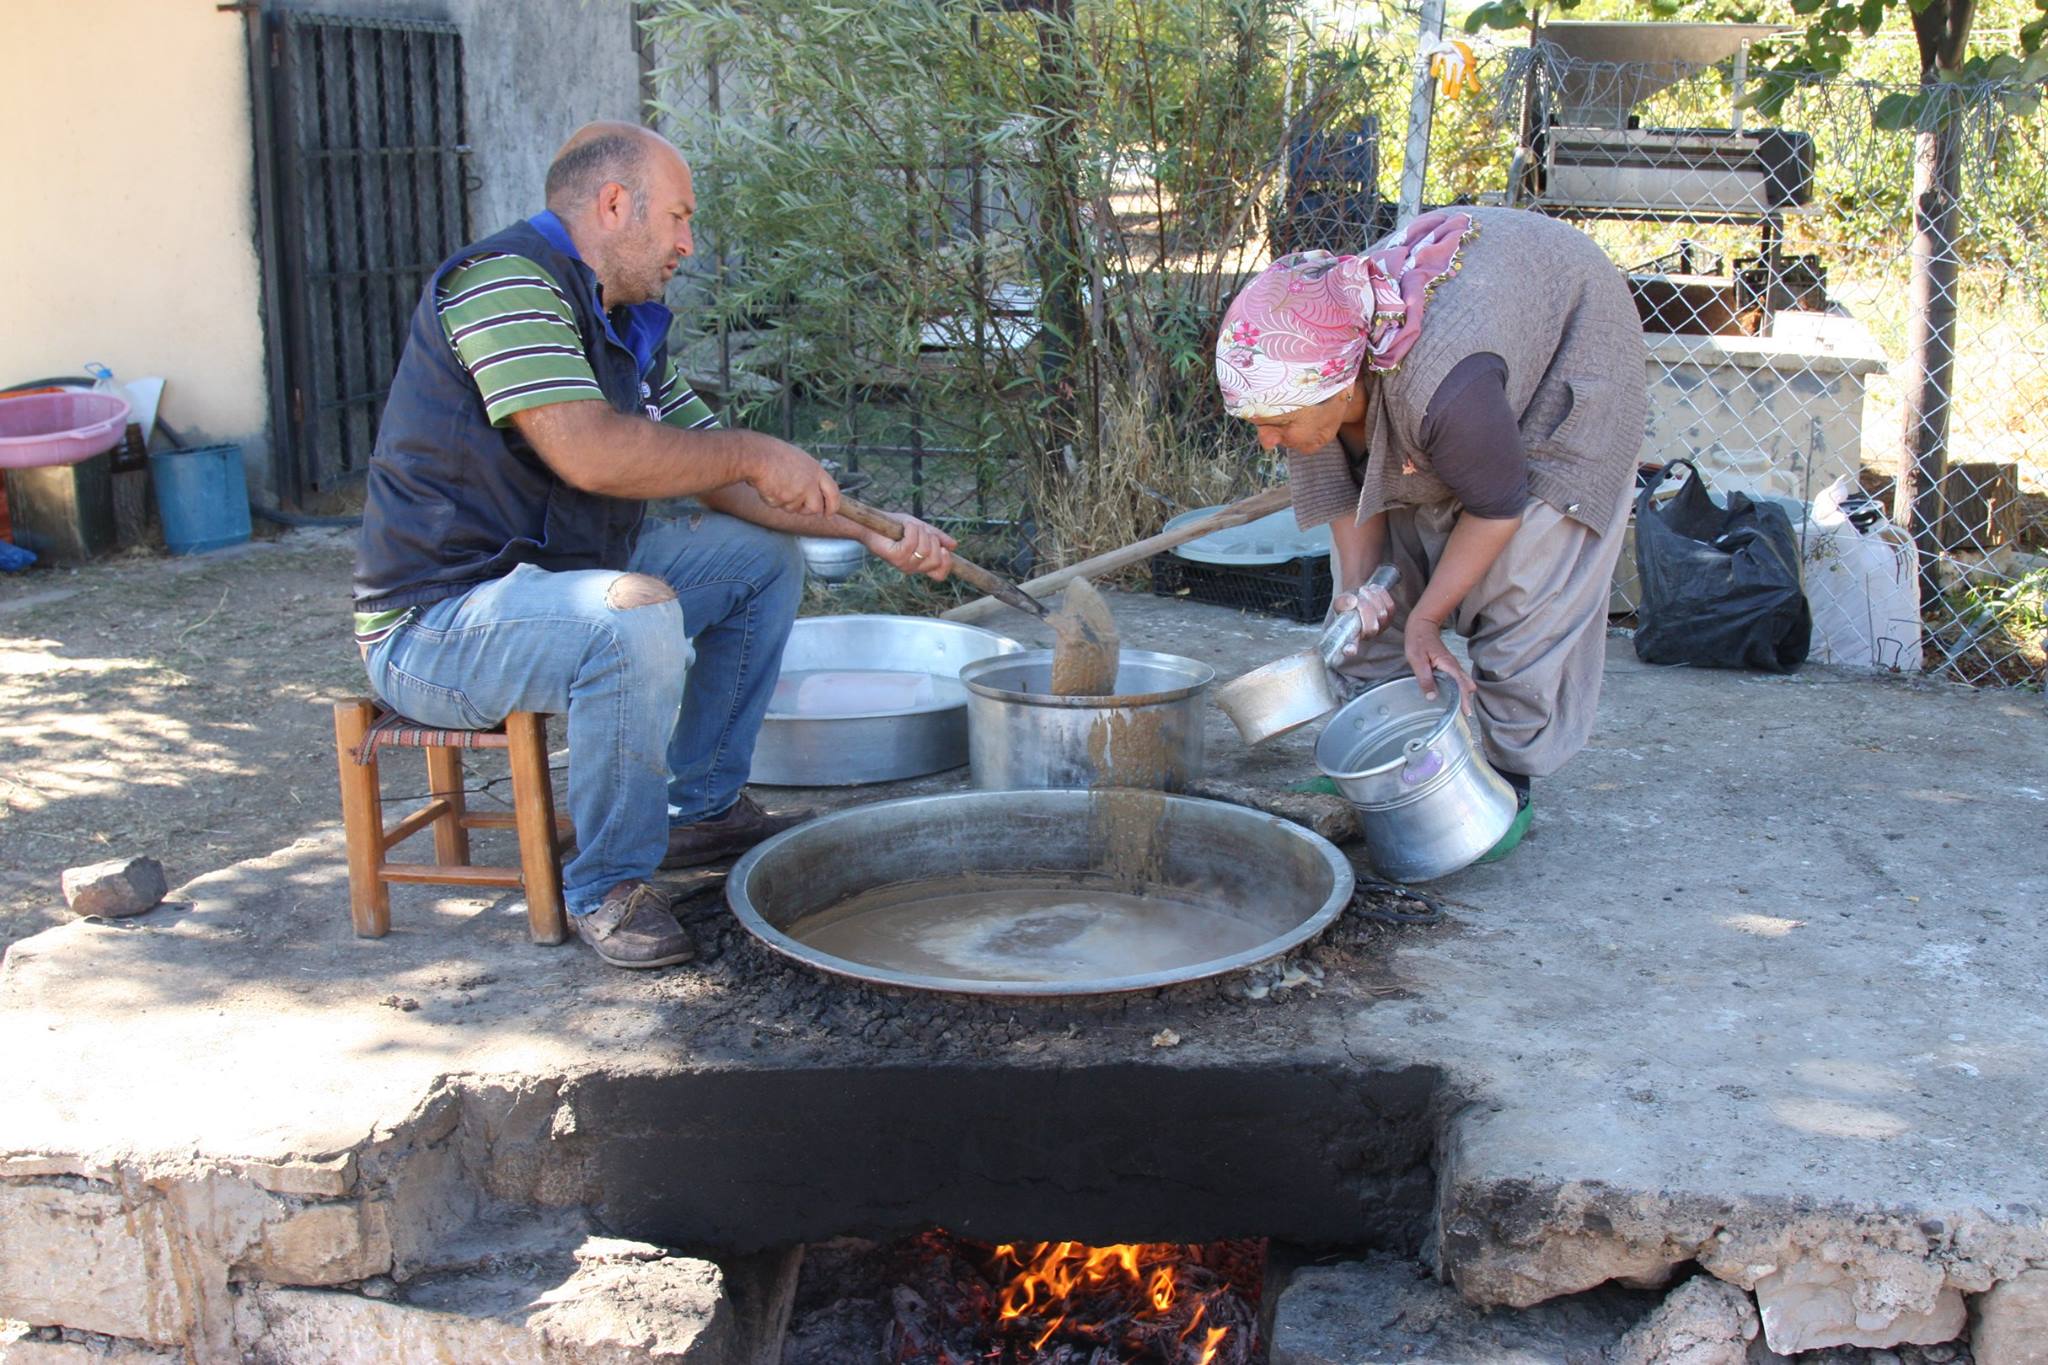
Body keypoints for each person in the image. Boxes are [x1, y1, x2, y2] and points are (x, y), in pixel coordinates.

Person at [351, 121, 956, 968]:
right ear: (611, 204)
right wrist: (752, 448)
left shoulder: (626, 323)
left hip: (559, 588)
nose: (688, 243)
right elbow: (591, 451)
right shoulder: (504, 285)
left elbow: (724, 483)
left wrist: (876, 533)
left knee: (758, 560)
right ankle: (607, 883)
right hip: (438, 624)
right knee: (632, 616)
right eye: (677, 217)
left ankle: (701, 808)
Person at [1214, 206, 1646, 858]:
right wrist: (1361, 593)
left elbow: (1498, 507)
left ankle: (1503, 781)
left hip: (1572, 346)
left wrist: (1427, 618)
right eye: (1255, 422)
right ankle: (1384, 747)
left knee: (1525, 570)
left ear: (1342, 389)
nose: (1265, 438)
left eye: (1274, 421)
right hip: (1469, 364)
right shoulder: (1308, 368)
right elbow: (1346, 493)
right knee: (1368, 594)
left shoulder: (1444, 388)